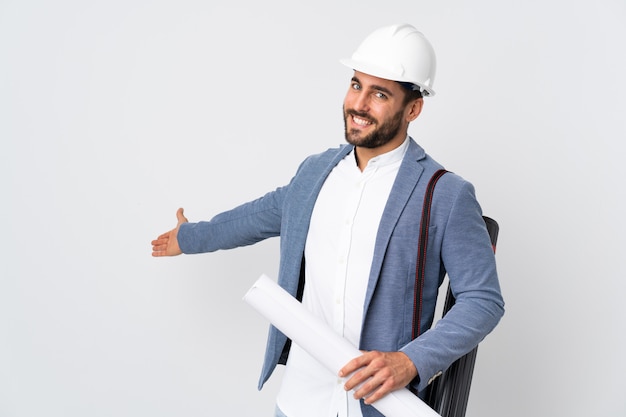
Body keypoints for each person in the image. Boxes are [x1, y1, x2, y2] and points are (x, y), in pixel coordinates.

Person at [151, 23, 504, 417]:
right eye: (356, 85)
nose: (359, 103)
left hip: (383, 406)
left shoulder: (444, 194)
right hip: (301, 400)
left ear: (413, 108)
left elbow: (482, 299)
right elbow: (256, 217)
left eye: (379, 93)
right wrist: (189, 236)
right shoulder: (316, 173)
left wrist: (411, 362)